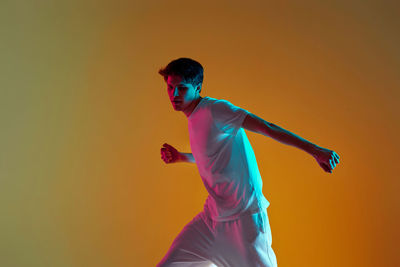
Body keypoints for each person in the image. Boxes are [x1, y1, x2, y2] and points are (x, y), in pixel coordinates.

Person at [156, 58, 340, 267]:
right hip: (211, 220)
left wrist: (316, 151)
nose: (174, 94)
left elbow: (267, 127)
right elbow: (210, 156)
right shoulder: (194, 117)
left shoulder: (215, 110)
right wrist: (181, 157)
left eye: (181, 88)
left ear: (197, 88)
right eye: (170, 87)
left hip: (244, 220)